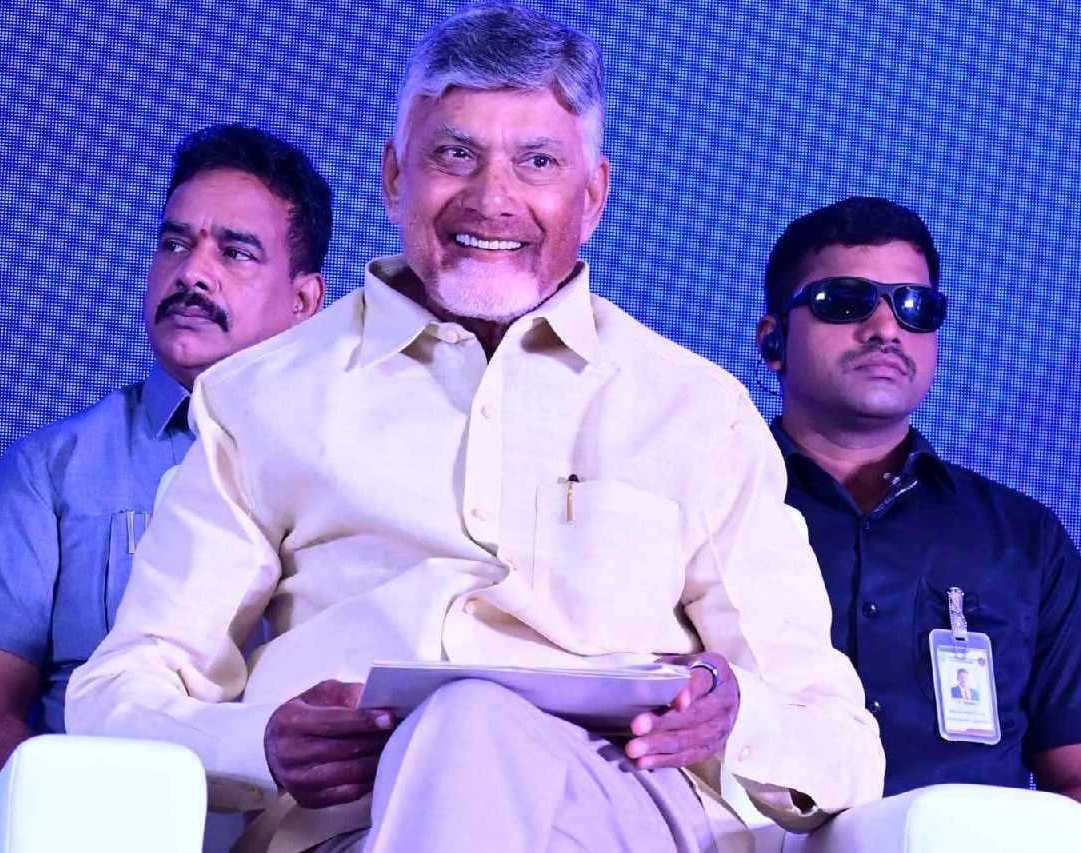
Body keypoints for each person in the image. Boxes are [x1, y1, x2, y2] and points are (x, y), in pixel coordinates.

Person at [67, 7, 883, 853]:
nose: (493, 199)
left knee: (472, 720)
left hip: (624, 816)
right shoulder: (259, 399)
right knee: (463, 725)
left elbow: (842, 742)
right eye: (454, 155)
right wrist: (260, 743)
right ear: (394, 177)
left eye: (538, 162)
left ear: (592, 195)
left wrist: (733, 714)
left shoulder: (696, 410)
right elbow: (116, 693)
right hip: (357, 825)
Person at [0, 123, 331, 796]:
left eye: (236, 253)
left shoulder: (349, 467)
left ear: (303, 301)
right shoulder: (53, 470)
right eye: (174, 243)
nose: (191, 272)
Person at [754, 195, 1081, 852]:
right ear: (773, 340)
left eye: (914, 307)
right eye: (845, 301)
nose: (885, 327)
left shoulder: (1022, 539)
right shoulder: (708, 508)